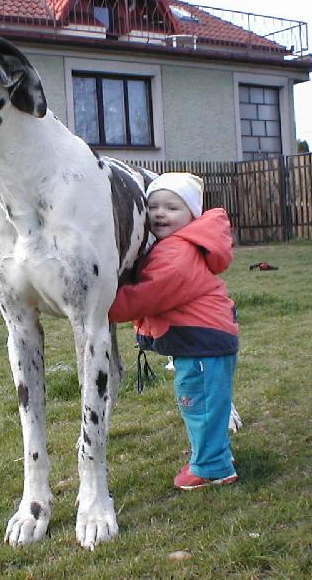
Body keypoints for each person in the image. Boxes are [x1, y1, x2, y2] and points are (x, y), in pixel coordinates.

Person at [109, 172, 239, 490]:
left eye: (172, 207)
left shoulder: (177, 254)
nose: (160, 214)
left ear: (192, 214)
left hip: (201, 344)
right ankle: (215, 455)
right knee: (206, 402)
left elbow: (148, 295)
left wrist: (102, 306)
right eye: (153, 206)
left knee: (200, 403)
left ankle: (212, 468)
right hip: (203, 343)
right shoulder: (178, 246)